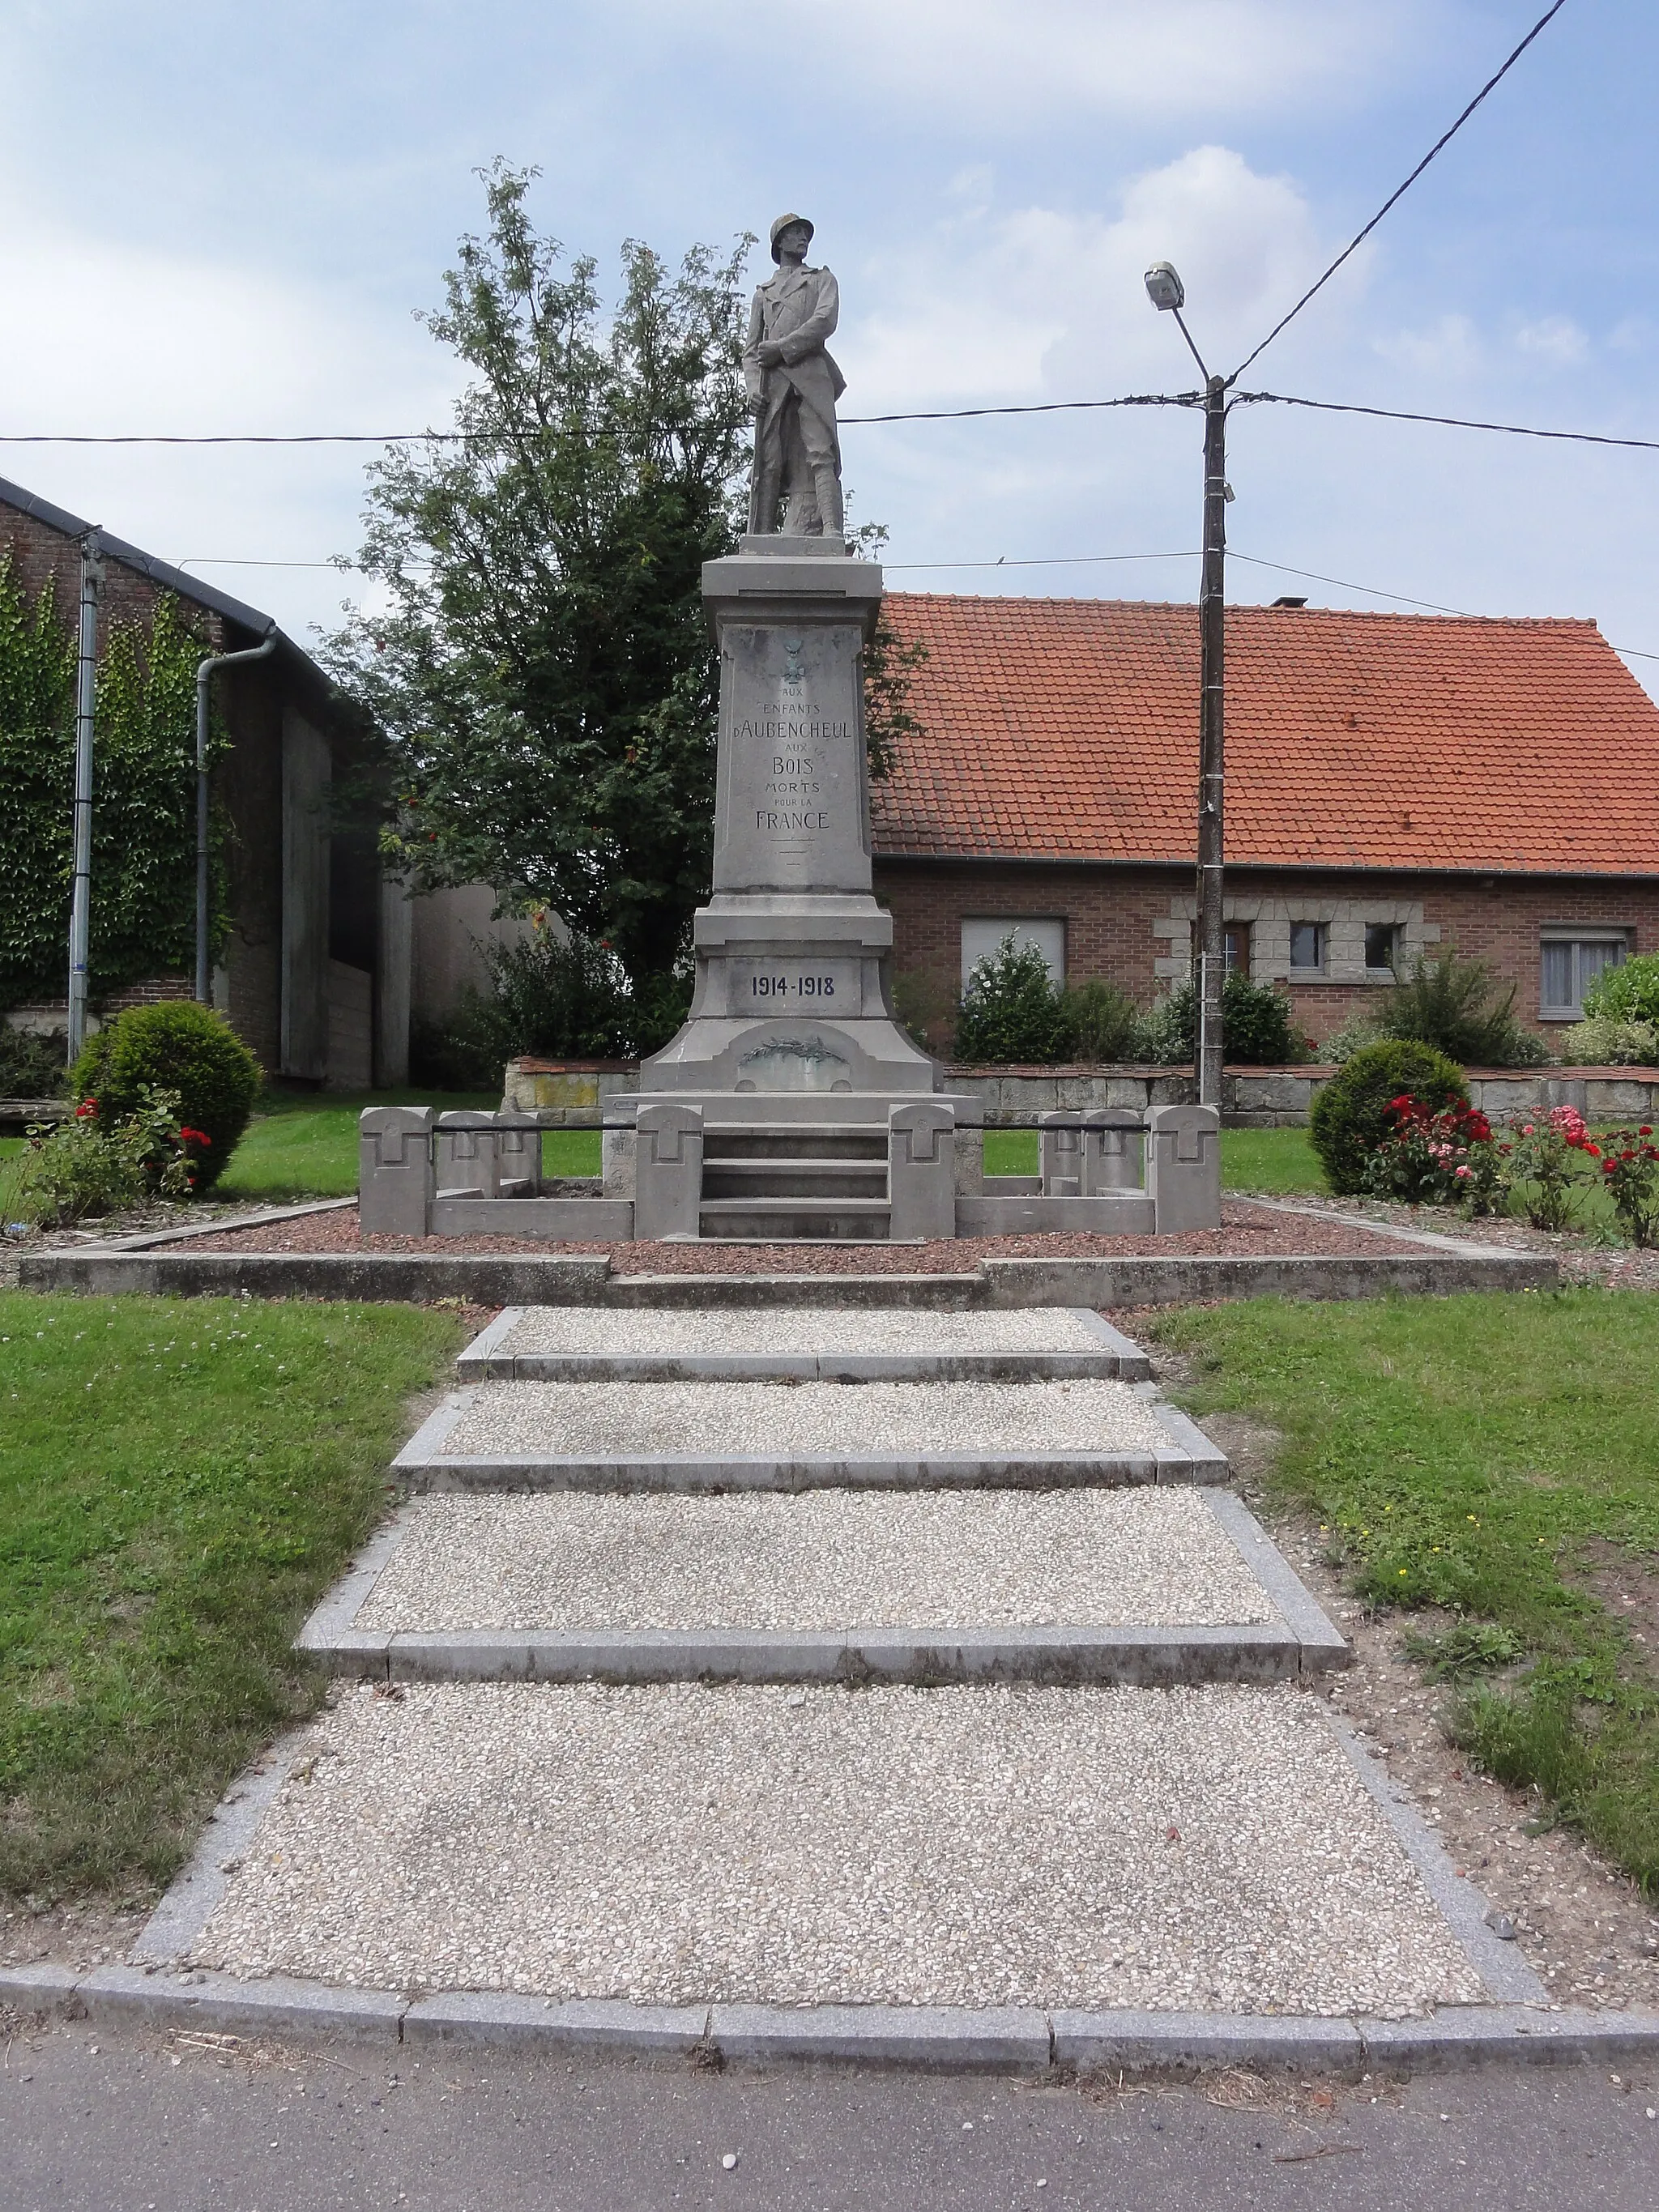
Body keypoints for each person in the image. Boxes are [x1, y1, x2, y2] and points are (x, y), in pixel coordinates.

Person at [744, 213, 846, 539]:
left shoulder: (820, 280)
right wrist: (751, 390)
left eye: (805, 233)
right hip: (773, 385)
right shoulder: (763, 293)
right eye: (795, 233)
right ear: (780, 242)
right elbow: (750, 351)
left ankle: (831, 529)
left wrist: (782, 349)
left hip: (811, 376)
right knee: (769, 460)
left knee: (820, 452)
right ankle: (760, 534)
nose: (803, 238)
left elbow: (824, 322)